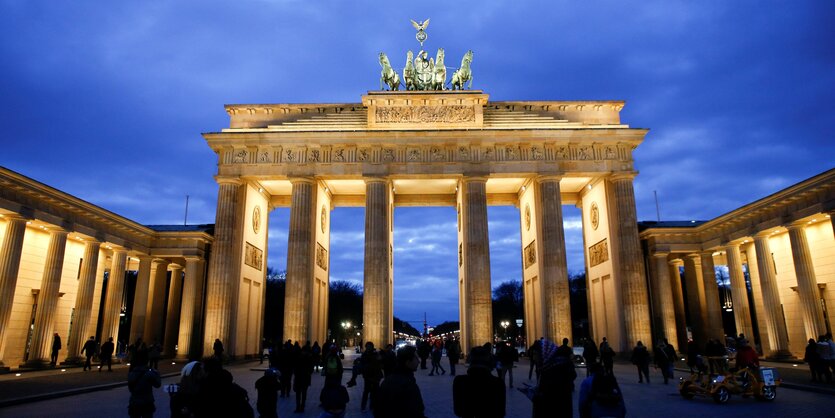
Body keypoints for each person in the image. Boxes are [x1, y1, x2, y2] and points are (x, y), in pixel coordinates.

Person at [452, 345, 505, 418]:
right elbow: (500, 413)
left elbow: (458, 411)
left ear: (470, 361)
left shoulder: (459, 381)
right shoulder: (498, 383)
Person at [374, 345, 426, 418]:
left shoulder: (387, 380)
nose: (419, 361)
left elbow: (378, 409)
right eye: (416, 358)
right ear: (408, 362)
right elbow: (416, 412)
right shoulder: (408, 385)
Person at [532, 339, 576, 418]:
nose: (534, 358)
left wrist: (537, 397)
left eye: (536, 354)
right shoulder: (549, 369)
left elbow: (551, 402)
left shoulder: (555, 374)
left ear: (543, 354)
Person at [360, 342, 383, 411]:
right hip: (368, 376)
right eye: (367, 346)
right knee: (366, 391)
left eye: (370, 346)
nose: (369, 348)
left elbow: (380, 363)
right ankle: (363, 406)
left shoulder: (376, 354)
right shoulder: (364, 355)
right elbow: (362, 364)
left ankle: (372, 405)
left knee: (374, 392)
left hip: (376, 376)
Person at [293, 343, 314, 413]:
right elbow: (311, 369)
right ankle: (302, 406)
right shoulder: (309, 358)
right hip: (305, 378)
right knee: (304, 393)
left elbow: (295, 368)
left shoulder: (298, 357)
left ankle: (298, 407)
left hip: (299, 377)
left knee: (298, 393)